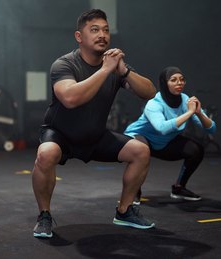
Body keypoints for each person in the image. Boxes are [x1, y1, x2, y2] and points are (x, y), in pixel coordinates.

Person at [31, 9, 157, 238]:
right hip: (61, 134)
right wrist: (106, 69)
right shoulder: (64, 64)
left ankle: (125, 211)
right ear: (79, 37)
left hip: (95, 134)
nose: (102, 35)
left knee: (140, 151)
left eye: (106, 30)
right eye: (95, 30)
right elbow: (70, 98)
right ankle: (44, 216)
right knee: (45, 154)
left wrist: (124, 71)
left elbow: (150, 92)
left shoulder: (115, 67)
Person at [124, 66, 216, 201]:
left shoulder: (186, 101)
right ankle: (134, 191)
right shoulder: (154, 103)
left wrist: (199, 113)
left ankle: (179, 188)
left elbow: (211, 129)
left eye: (181, 80)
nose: (179, 83)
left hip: (163, 143)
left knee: (196, 150)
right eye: (173, 80)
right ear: (164, 83)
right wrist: (190, 112)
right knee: (140, 150)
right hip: (140, 138)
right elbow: (162, 128)